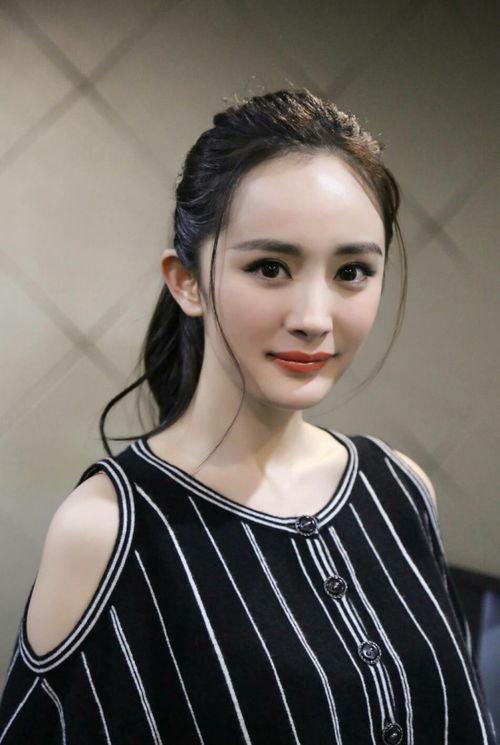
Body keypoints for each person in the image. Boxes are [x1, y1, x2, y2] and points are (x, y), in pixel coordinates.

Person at [0, 88, 495, 745]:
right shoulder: (108, 530)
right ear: (186, 281)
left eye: (352, 271)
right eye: (270, 267)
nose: (314, 317)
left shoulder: (400, 489)